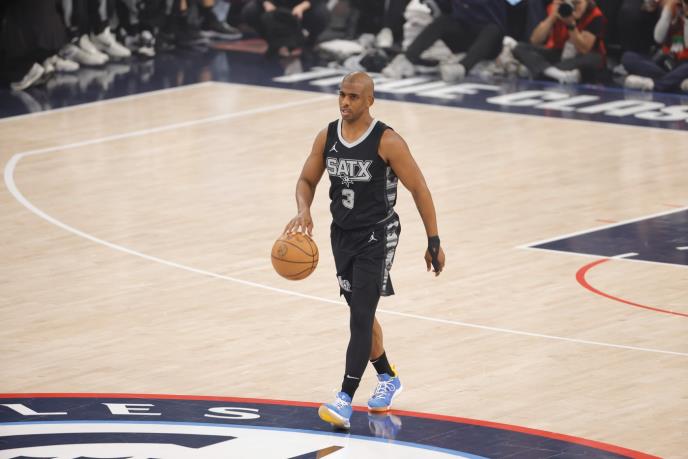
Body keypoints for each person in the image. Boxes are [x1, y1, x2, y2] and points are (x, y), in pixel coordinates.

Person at [284, 72, 446, 429]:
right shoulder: (327, 136)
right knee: (361, 314)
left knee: (359, 315)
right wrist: (303, 209)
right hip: (341, 235)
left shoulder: (387, 141)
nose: (345, 102)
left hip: (377, 235)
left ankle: (344, 399)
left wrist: (433, 240)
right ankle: (388, 376)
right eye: (342, 94)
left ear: (370, 100)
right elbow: (306, 180)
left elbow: (419, 188)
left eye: (354, 96)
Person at [381, 0, 505, 82]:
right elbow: (446, 8)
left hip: (492, 41)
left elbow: (515, 7)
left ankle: (462, 68)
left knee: (492, 29)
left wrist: (512, 41)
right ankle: (407, 59)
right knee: (444, 20)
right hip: (465, 35)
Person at [512, 0, 607, 84]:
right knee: (520, 47)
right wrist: (552, 17)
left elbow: (584, 49)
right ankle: (555, 73)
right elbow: (535, 40)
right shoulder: (559, 10)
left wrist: (571, 25)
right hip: (559, 53)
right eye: (571, 3)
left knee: (594, 59)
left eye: (578, 3)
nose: (574, 7)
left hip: (581, 57)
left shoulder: (595, 15)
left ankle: (542, 69)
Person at [622, 0, 688, 92]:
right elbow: (658, 38)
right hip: (667, 62)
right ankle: (677, 83)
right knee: (628, 57)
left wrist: (686, 19)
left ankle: (655, 85)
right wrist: (667, 12)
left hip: (684, 63)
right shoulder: (671, 11)